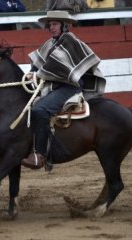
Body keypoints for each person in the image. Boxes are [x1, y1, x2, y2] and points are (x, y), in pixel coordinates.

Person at [21, 10, 106, 170]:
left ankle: (40, 155)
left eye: (54, 24)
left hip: (69, 87)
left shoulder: (72, 42)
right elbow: (38, 64)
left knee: (40, 109)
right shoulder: (50, 43)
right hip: (51, 86)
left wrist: (39, 74)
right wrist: (32, 73)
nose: (51, 27)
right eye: (50, 24)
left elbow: (62, 70)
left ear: (65, 25)